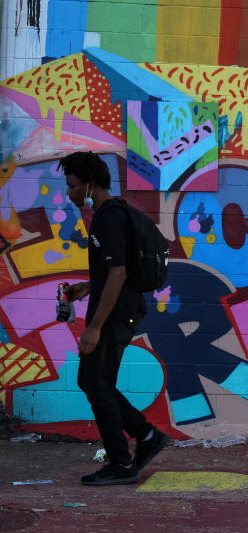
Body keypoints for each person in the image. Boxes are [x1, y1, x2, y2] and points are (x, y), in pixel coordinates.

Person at [58, 151, 169, 486]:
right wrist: (88, 287)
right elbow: (116, 270)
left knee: (95, 383)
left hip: (116, 316)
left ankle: (123, 462)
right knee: (95, 382)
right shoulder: (112, 214)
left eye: (72, 185)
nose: (69, 192)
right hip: (121, 311)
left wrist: (95, 327)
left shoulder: (108, 217)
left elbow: (119, 274)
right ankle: (145, 436)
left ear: (90, 184)